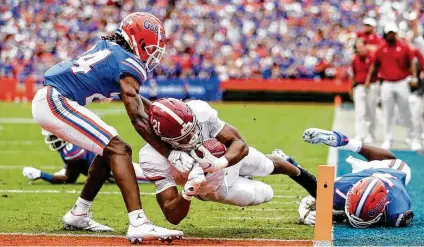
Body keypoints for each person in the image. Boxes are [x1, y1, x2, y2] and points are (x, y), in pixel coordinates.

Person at [31, 12, 189, 243]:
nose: (154, 54)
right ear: (139, 41)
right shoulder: (128, 61)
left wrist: (159, 112)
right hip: (56, 101)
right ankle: (138, 222)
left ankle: (79, 213)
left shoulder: (112, 48)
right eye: (151, 47)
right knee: (119, 149)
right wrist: (169, 151)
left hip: (52, 98)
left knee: (108, 152)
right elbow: (136, 116)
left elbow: (137, 101)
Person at [139, 98, 318, 225]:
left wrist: (220, 162)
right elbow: (172, 216)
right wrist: (189, 190)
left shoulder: (200, 111)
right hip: (214, 188)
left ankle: (306, 178)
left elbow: (240, 144)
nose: (194, 136)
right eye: (185, 137)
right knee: (265, 193)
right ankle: (249, 178)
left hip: (226, 156)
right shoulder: (152, 158)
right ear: (166, 140)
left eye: (193, 129)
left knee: (267, 164)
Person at [299, 128, 413, 228]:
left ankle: (347, 142)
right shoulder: (341, 189)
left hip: (393, 174)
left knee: (402, 167)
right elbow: (309, 198)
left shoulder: (396, 211)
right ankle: (346, 142)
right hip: (370, 174)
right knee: (398, 164)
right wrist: (304, 212)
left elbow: (405, 216)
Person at [365, 22, 420, 150]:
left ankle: (411, 138)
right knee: (387, 113)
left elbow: (411, 63)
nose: (391, 35)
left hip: (401, 82)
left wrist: (414, 77)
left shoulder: (404, 47)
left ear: (395, 33)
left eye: (393, 33)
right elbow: (375, 65)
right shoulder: (381, 48)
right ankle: (388, 138)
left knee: (406, 111)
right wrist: (369, 79)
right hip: (387, 83)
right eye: (389, 33)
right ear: (386, 33)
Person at [22, 129, 148, 184]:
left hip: (120, 171)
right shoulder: (72, 142)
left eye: (52, 136)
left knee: (156, 176)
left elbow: (69, 178)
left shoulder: (71, 150)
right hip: (114, 168)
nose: (50, 139)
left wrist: (41, 175)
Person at [351, 39, 378, 143]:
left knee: (371, 111)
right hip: (359, 86)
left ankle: (371, 134)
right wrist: (351, 87)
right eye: (358, 48)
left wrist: (369, 80)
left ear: (365, 46)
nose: (360, 50)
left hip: (371, 86)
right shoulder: (355, 59)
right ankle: (359, 134)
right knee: (359, 111)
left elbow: (373, 71)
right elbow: (354, 74)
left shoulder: (372, 57)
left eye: (361, 47)